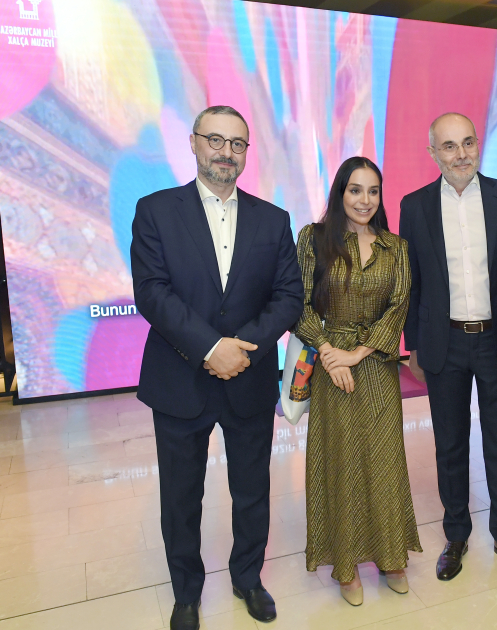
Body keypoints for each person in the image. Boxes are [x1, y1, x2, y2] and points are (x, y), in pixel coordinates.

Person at [131, 106, 303, 630]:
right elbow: (152, 293)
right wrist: (210, 348)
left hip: (249, 378)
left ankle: (248, 578)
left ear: (247, 152)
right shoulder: (156, 210)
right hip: (178, 379)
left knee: (251, 491)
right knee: (182, 496)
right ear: (193, 143)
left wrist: (241, 349)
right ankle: (186, 592)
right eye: (215, 140)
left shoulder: (273, 219)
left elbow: (288, 297)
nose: (226, 152)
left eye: (237, 143)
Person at [400, 113, 497, 583]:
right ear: (432, 152)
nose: (461, 154)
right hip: (444, 343)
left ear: (478, 145)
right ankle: (456, 534)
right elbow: (412, 282)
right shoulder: (414, 205)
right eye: (449, 146)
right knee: (450, 445)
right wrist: (413, 345)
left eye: (468, 143)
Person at [292, 156, 421, 607]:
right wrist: (330, 353)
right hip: (332, 368)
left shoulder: (395, 247)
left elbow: (399, 306)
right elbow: (298, 304)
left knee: (385, 463)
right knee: (342, 464)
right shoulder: (314, 239)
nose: (365, 200)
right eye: (355, 190)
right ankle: (345, 564)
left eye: (373, 191)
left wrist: (358, 352)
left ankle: (391, 557)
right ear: (340, 193)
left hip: (376, 366)